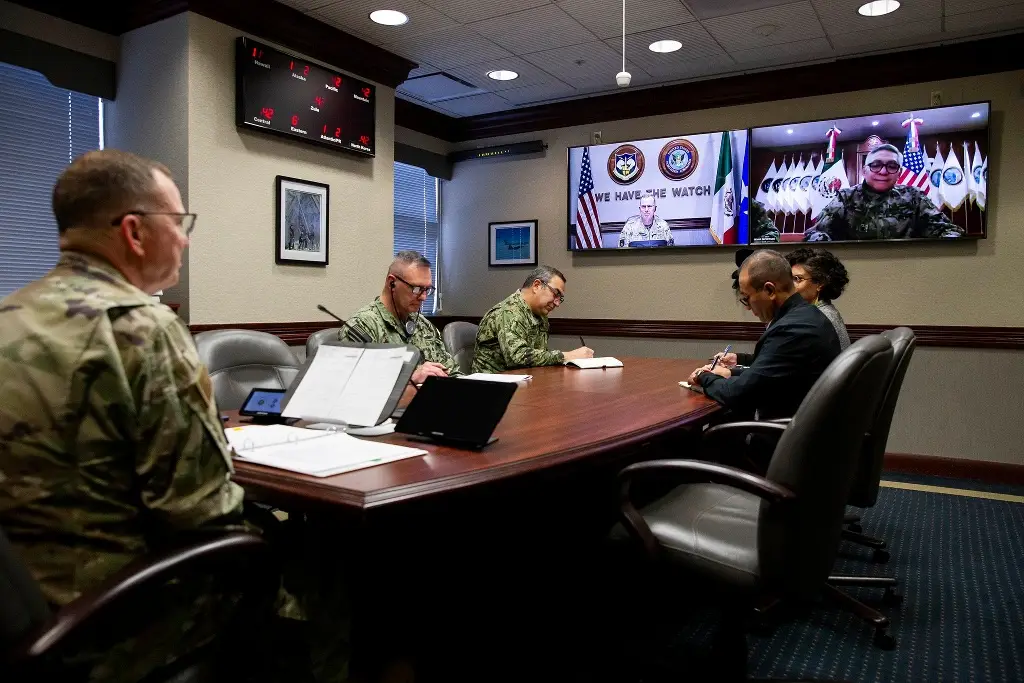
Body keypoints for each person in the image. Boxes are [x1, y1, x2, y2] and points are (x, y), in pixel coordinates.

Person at [0, 150, 251, 681]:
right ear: (135, 232)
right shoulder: (141, 327)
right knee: (318, 570)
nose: (185, 239)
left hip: (25, 616)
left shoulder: (10, 314)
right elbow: (203, 511)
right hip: (115, 623)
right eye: (179, 223)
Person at [689, 250, 840, 420]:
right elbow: (768, 376)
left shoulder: (792, 329)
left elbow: (739, 395)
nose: (747, 307)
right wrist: (729, 374)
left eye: (747, 298)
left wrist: (704, 377)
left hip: (783, 438)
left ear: (769, 290)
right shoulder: (808, 316)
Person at [805, 144, 964, 241]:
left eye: (892, 166)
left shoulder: (914, 196)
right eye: (876, 165)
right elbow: (815, 234)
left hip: (907, 268)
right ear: (864, 171)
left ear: (899, 173)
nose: (883, 171)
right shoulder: (846, 197)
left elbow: (949, 231)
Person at [343, 250, 461, 380]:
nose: (423, 297)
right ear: (391, 283)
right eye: (416, 289)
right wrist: (410, 379)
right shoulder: (362, 327)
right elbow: (357, 390)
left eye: (427, 289)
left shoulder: (424, 325)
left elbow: (452, 372)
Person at [472, 265, 593, 373]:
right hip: (493, 388)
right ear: (536, 286)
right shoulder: (508, 312)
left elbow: (538, 357)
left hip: (524, 381)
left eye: (560, 298)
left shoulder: (539, 315)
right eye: (556, 294)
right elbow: (517, 357)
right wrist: (565, 356)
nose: (557, 303)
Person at [787, 247, 851, 349]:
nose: (789, 285)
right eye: (789, 278)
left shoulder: (814, 321)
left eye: (797, 279)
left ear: (820, 283)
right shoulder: (827, 312)